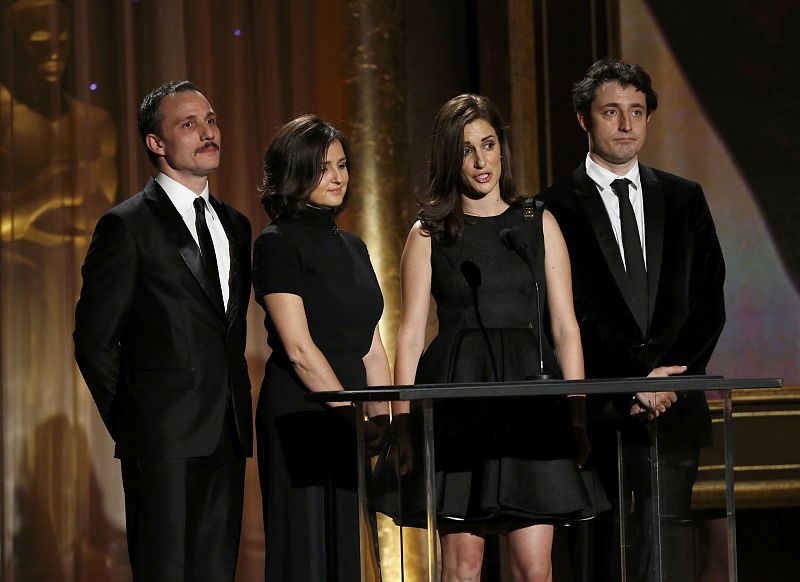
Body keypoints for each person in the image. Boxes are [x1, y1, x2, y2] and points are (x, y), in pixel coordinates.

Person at [394, 94, 601, 582]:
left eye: (488, 145)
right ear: (449, 158)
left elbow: (566, 327)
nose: (480, 160)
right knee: (463, 565)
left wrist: (576, 411)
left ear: (502, 149)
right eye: (466, 150)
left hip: (533, 402)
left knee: (534, 567)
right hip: (458, 401)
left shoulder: (537, 221)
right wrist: (403, 425)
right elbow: (408, 335)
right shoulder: (429, 233)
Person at [538, 59, 726, 581]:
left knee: (664, 553)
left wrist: (670, 377)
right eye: (612, 112)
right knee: (602, 556)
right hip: (598, 415)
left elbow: (708, 298)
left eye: (637, 112)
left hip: (674, 410)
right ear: (584, 119)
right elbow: (564, 314)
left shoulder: (685, 198)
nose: (626, 124)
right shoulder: (551, 208)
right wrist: (630, 382)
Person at [74, 80, 252, 582]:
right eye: (189, 124)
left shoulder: (236, 225)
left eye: (211, 120)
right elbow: (93, 341)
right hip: (161, 439)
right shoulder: (126, 226)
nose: (208, 132)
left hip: (226, 430)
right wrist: (140, 423)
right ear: (157, 143)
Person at [252, 114, 391, 581]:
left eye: (342, 165)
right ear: (295, 172)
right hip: (303, 414)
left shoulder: (354, 246)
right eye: (322, 167)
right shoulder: (275, 243)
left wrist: (385, 421)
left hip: (349, 419)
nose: (337, 177)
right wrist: (354, 415)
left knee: (348, 554)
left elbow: (371, 343)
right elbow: (299, 349)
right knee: (307, 555)